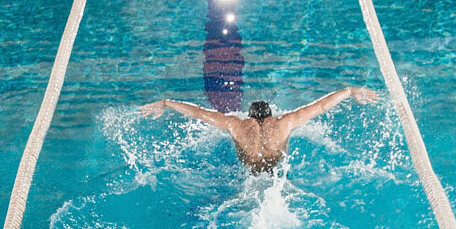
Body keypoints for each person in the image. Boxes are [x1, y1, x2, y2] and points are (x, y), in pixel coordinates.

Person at [141, 87, 380, 170]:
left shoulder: (235, 124)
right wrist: (349, 92)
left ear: (250, 117)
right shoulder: (285, 122)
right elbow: (319, 107)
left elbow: (199, 113)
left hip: (248, 175)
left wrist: (166, 103)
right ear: (270, 115)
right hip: (277, 173)